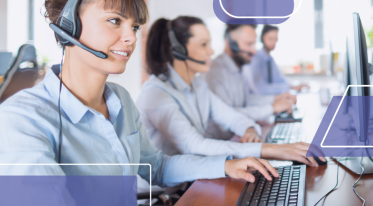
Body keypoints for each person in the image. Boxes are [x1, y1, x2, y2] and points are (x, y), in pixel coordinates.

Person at [0, 0, 278, 197]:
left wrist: (226, 166)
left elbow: (156, 165)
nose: (131, 38)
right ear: (68, 25)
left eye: (135, 26)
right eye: (115, 21)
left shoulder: (120, 99)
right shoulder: (21, 120)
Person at [136, 16, 324, 167]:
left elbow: (232, 116)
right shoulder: (156, 93)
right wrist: (274, 150)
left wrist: (248, 128)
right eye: (203, 45)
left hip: (193, 180)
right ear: (177, 50)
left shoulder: (198, 85)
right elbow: (193, 145)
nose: (211, 51)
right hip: (160, 196)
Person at [204, 24, 296, 121]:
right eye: (249, 44)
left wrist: (275, 99)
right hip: (223, 136)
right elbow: (228, 115)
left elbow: (246, 100)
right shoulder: (215, 73)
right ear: (230, 44)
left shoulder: (238, 67)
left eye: (254, 44)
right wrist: (272, 108)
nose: (254, 51)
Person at [248, 25, 309, 95]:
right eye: (270, 39)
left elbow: (279, 79)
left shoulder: (271, 60)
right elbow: (262, 89)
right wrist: (290, 87)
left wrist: (295, 85)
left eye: (275, 39)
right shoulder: (255, 59)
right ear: (262, 38)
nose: (273, 42)